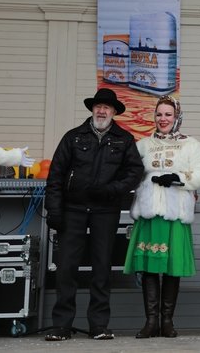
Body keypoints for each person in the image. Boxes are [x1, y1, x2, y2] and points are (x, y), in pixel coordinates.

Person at [43, 88, 144, 341]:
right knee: (67, 268)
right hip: (72, 209)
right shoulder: (73, 137)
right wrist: (54, 210)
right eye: (98, 106)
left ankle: (99, 325)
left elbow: (134, 172)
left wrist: (112, 190)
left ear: (114, 112)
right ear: (92, 109)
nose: (102, 110)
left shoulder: (124, 139)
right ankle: (61, 326)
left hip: (105, 211)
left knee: (101, 268)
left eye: (107, 107)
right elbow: (55, 176)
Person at [124, 96, 200, 338]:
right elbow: (129, 172)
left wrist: (179, 179)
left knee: (172, 267)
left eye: (168, 115)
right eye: (159, 114)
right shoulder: (143, 145)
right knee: (150, 267)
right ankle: (151, 322)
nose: (163, 119)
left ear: (176, 117)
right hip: (149, 211)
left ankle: (167, 321)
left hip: (176, 211)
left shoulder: (191, 144)